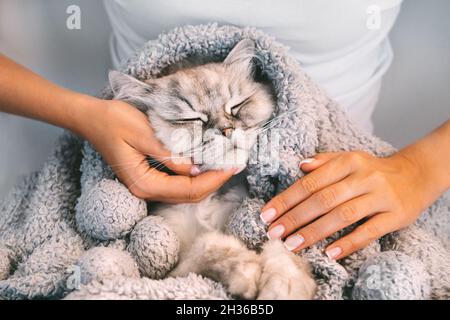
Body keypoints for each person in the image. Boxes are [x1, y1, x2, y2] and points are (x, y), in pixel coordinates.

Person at [1, 0, 449, 261]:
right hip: (144, 173)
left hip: (333, 178)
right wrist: (81, 112)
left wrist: (421, 167)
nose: (224, 128)